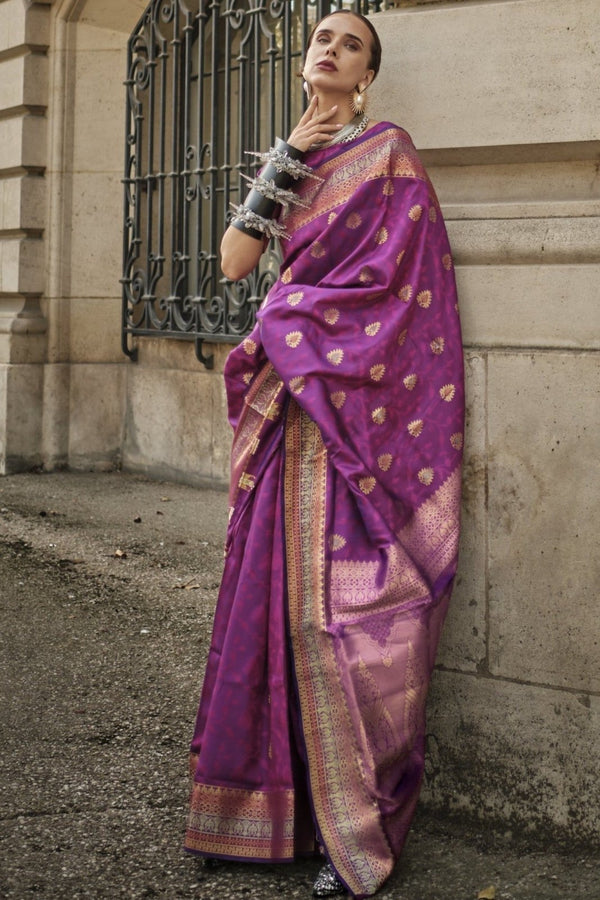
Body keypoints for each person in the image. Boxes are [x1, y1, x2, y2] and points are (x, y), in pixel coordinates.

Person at [184, 10, 464, 899]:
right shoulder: (291, 158)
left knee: (349, 618)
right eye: (321, 38)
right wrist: (280, 167)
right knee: (266, 610)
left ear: (368, 73)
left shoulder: (387, 153)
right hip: (289, 415)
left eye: (350, 42)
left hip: (352, 414)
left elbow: (403, 286)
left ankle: (357, 828)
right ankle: (265, 819)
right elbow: (234, 263)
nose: (330, 47)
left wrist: (301, 322)